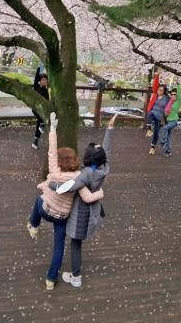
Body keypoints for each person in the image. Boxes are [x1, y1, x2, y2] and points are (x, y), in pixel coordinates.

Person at [26, 112, 104, 291]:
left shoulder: (54, 170)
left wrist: (53, 129)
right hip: (61, 216)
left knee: (38, 200)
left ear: (59, 161)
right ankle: (51, 280)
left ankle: (33, 225)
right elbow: (87, 197)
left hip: (46, 209)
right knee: (59, 247)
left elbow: (52, 151)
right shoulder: (79, 178)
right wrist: (100, 193)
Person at [57, 114, 116, 288]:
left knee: (75, 244)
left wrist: (51, 185)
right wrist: (110, 128)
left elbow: (69, 187)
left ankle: (76, 277)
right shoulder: (104, 168)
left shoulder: (86, 174)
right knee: (77, 242)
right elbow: (107, 150)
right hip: (93, 211)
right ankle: (75, 275)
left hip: (81, 213)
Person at [146, 68, 170, 155]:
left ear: (164, 91)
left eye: (161, 90)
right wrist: (157, 75)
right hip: (153, 115)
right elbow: (155, 84)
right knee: (150, 113)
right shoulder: (155, 95)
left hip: (160, 118)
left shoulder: (167, 98)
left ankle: (152, 148)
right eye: (158, 89)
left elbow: (170, 107)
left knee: (156, 132)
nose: (159, 91)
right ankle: (149, 130)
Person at [160, 86, 181, 157]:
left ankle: (162, 141)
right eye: (172, 94)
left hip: (174, 121)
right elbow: (166, 111)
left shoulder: (178, 102)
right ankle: (168, 151)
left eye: (175, 94)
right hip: (168, 121)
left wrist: (178, 85)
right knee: (168, 137)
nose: (173, 95)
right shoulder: (170, 101)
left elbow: (179, 94)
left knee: (165, 128)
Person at [32, 64, 49, 150]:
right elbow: (36, 78)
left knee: (40, 122)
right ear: (40, 81)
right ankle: (42, 125)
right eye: (43, 80)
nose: (44, 81)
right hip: (36, 108)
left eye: (45, 80)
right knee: (41, 119)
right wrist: (39, 67)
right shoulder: (36, 87)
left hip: (43, 110)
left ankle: (35, 141)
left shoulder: (47, 90)